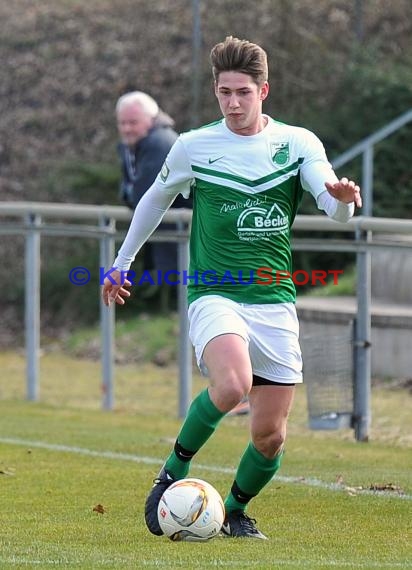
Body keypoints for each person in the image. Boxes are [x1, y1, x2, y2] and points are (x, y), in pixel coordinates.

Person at [102, 36, 362, 539]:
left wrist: (345, 200)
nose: (233, 103)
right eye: (224, 92)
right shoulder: (194, 145)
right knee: (232, 384)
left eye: (243, 92)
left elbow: (334, 207)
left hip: (274, 301)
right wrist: (122, 263)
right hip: (214, 292)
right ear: (215, 91)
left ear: (265, 90)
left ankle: (236, 513)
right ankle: (171, 473)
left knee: (270, 437)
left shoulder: (298, 143)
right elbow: (154, 201)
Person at [116, 91, 190, 305]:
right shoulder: (136, 144)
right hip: (170, 231)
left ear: (151, 120)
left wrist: (131, 194)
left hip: (184, 233)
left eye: (133, 122)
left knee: (188, 301)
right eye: (122, 123)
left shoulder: (159, 143)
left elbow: (143, 196)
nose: (127, 128)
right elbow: (130, 189)